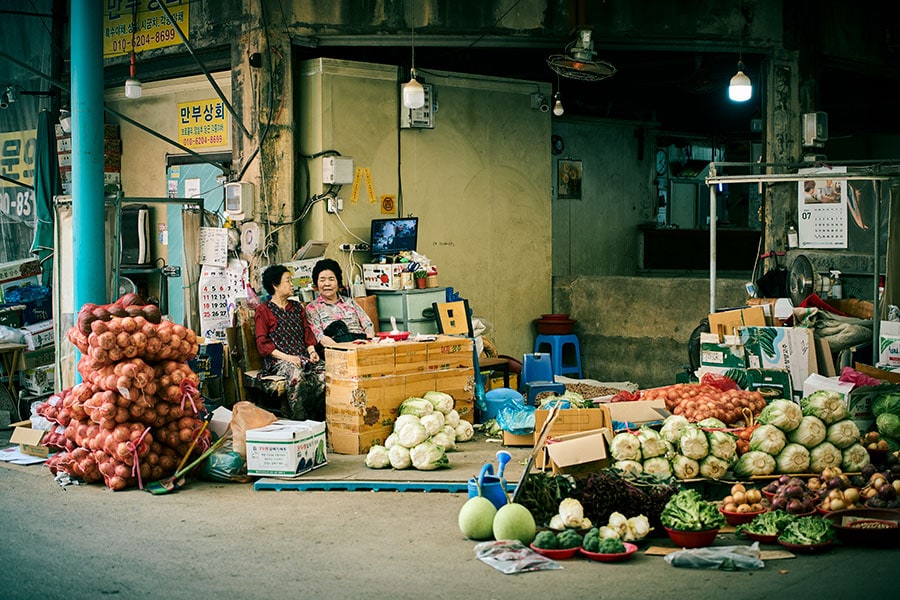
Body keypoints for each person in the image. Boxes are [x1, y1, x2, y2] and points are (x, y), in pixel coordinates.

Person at [254, 264, 323, 420]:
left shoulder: (297, 308)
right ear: (275, 285)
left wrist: (312, 352)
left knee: (325, 375)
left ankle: (317, 420)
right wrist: (288, 358)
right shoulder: (263, 311)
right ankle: (299, 420)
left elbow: (307, 333)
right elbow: (263, 343)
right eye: (288, 281)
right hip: (278, 361)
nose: (292, 284)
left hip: (302, 357)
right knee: (296, 375)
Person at [305, 258, 375, 348]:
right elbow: (320, 337)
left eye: (331, 279)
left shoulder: (350, 302)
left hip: (360, 343)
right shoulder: (312, 308)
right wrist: (343, 349)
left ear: (338, 282)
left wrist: (368, 342)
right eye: (322, 280)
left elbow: (368, 325)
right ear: (317, 284)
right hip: (336, 347)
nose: (327, 284)